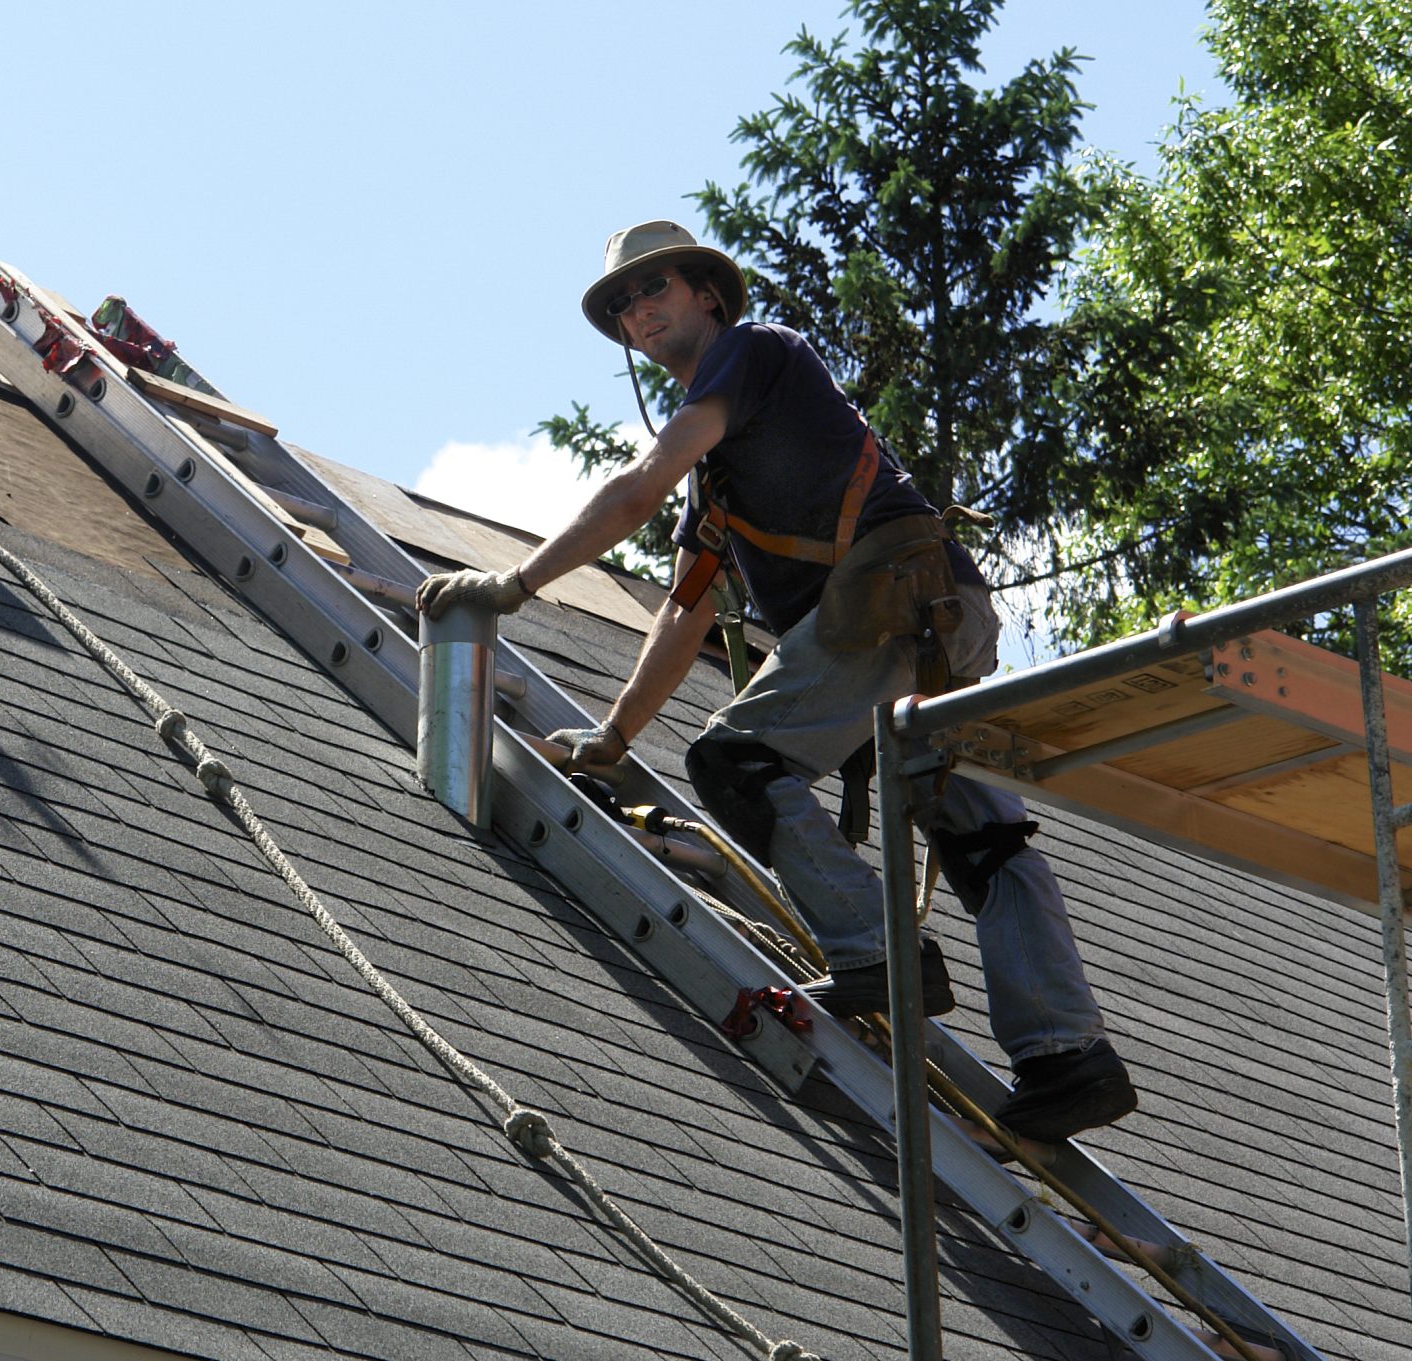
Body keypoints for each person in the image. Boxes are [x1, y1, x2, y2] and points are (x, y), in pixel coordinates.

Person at [415, 221, 1135, 1144]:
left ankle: (881, 953)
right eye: (624, 305)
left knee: (737, 760)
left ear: (707, 296)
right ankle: (1069, 1058)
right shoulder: (716, 475)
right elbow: (683, 611)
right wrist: (615, 738)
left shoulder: (754, 354)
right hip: (922, 618)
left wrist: (513, 585)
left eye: (655, 289)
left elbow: (637, 486)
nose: (638, 312)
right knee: (979, 834)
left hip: (896, 605)